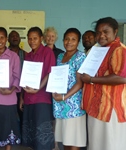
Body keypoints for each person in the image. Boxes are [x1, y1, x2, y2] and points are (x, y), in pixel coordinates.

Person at [81, 17, 126, 150]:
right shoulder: (99, 50)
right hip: (97, 106)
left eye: (106, 31)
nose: (102, 35)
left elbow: (121, 78)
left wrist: (91, 80)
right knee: (96, 144)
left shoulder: (118, 50)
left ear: (115, 31)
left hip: (110, 107)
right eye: (99, 32)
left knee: (110, 144)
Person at [20, 27, 55, 150]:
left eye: (35, 38)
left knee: (42, 137)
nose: (32, 41)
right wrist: (22, 98)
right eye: (30, 39)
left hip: (42, 99)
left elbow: (50, 73)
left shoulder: (47, 52)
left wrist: (38, 88)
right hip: (29, 99)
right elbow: (24, 78)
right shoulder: (28, 55)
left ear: (41, 38)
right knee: (32, 136)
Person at [52, 28, 87, 150]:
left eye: (73, 39)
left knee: (74, 140)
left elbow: (80, 82)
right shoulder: (60, 56)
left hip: (73, 106)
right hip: (60, 104)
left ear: (78, 42)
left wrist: (64, 96)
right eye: (67, 39)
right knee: (65, 140)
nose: (69, 42)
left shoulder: (80, 56)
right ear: (63, 40)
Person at [8, 30, 24, 135]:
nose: (15, 38)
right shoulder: (3, 53)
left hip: (22, 90)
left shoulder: (25, 54)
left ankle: (21, 137)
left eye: (16, 36)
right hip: (7, 89)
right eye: (12, 36)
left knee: (22, 113)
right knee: (9, 114)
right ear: (8, 39)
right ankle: (9, 135)